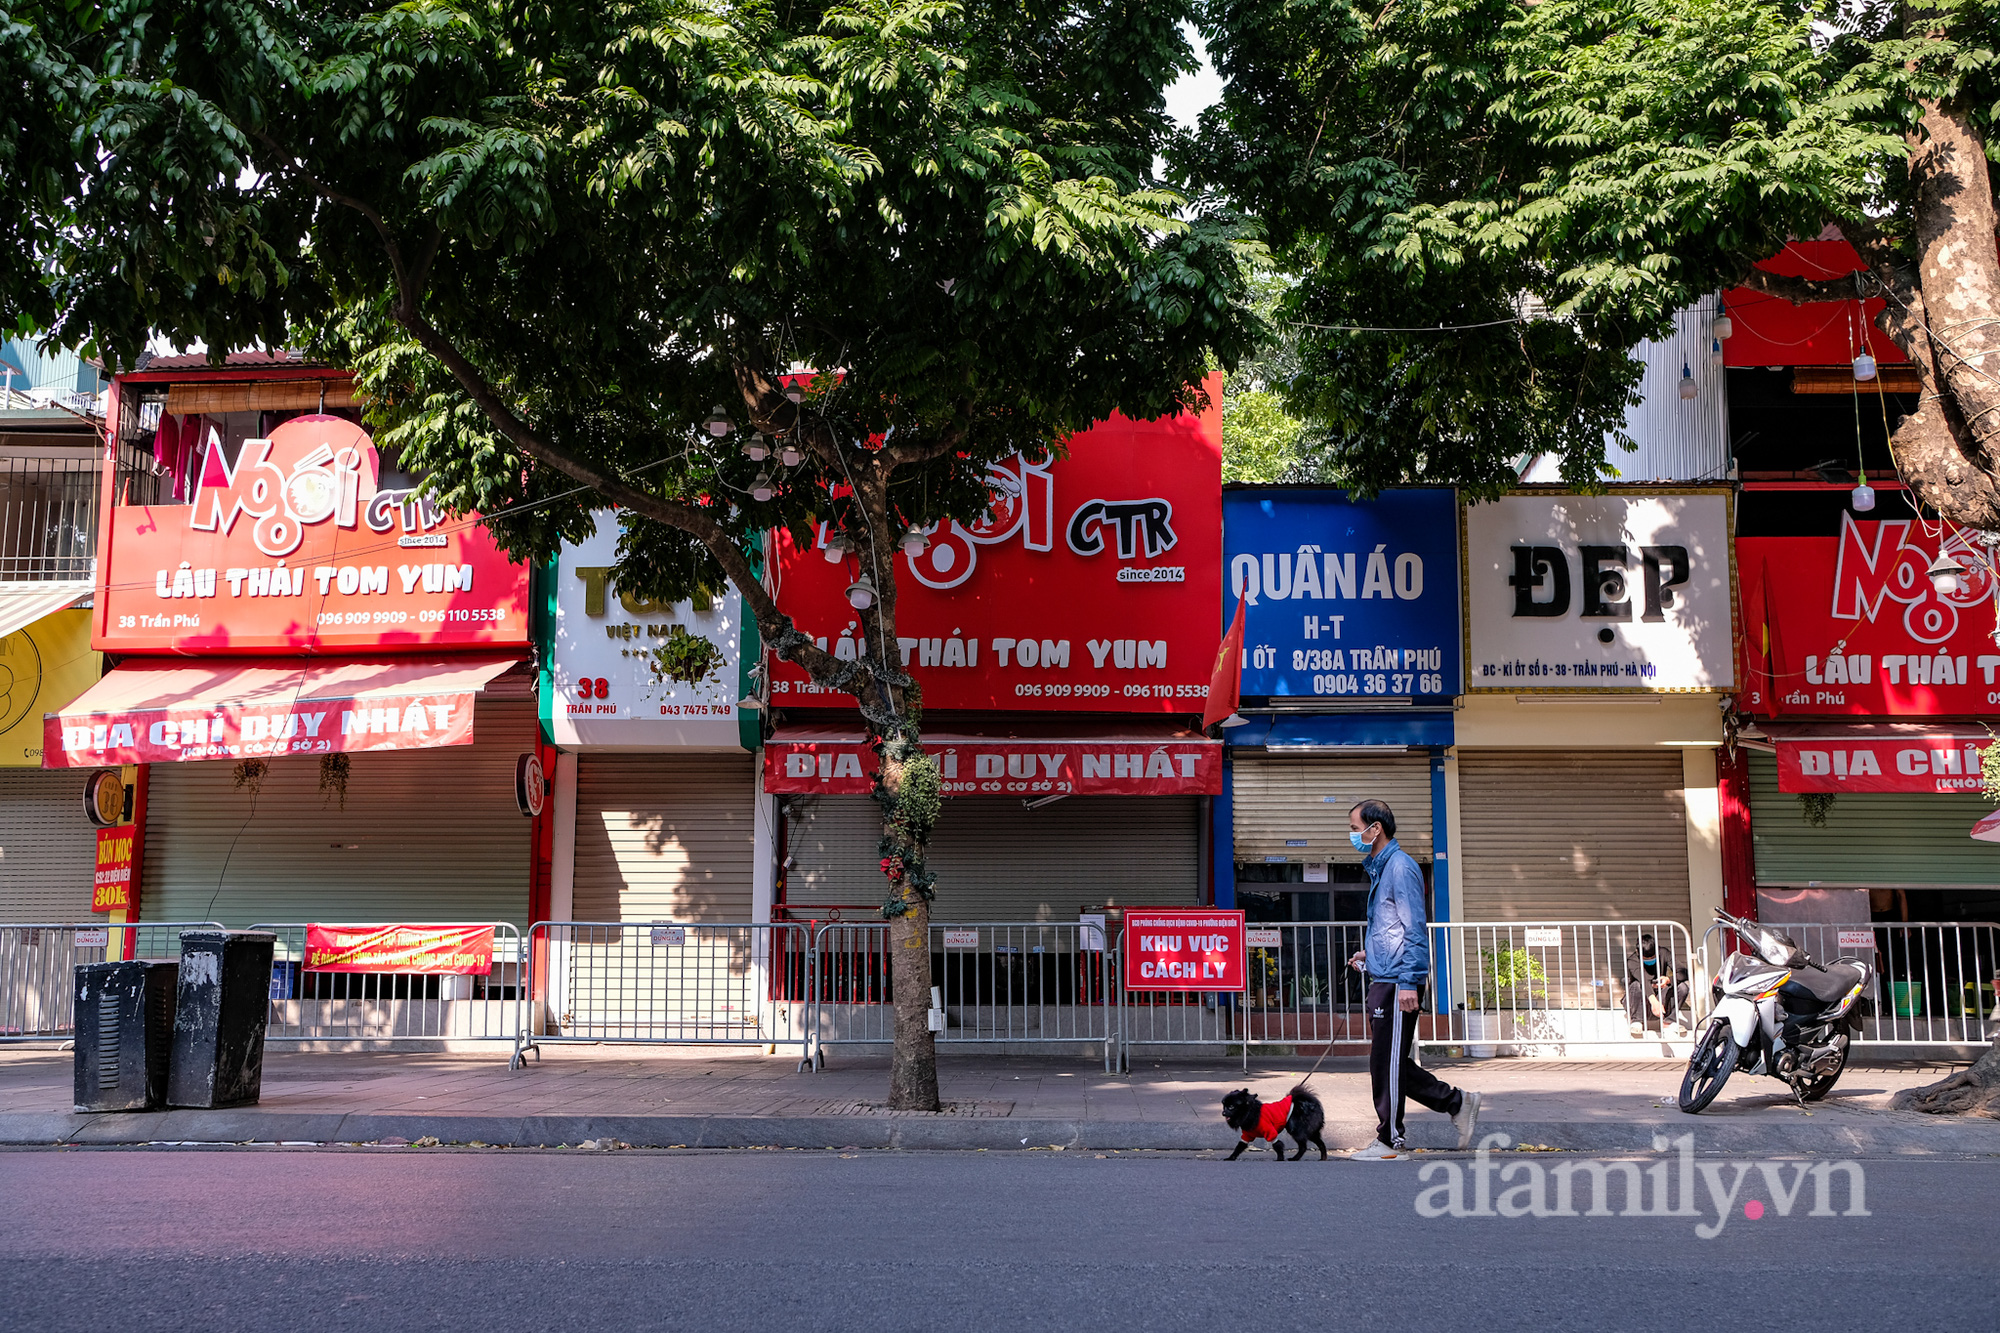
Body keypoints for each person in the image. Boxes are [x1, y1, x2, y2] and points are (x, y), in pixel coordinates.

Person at [1344, 799, 1481, 1161]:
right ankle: (1457, 1102)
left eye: (1356, 828)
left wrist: (1408, 981)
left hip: (1396, 982)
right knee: (1387, 1061)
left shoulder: (1400, 868)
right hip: (1386, 975)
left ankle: (1390, 1142)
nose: (1353, 835)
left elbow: (1414, 929)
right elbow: (1390, 928)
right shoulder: (1382, 868)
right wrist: (1369, 956)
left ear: (1376, 829)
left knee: (1386, 1062)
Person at [1623, 934, 1689, 1037]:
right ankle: (1637, 1022)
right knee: (1636, 985)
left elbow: (1683, 972)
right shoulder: (1632, 960)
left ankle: (1669, 1022)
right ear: (1637, 952)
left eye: (1653, 957)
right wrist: (1654, 1002)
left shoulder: (1664, 953)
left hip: (1661, 999)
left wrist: (1668, 980)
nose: (1649, 960)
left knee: (1683, 987)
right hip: (1641, 1001)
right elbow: (1643, 981)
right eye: (1646, 958)